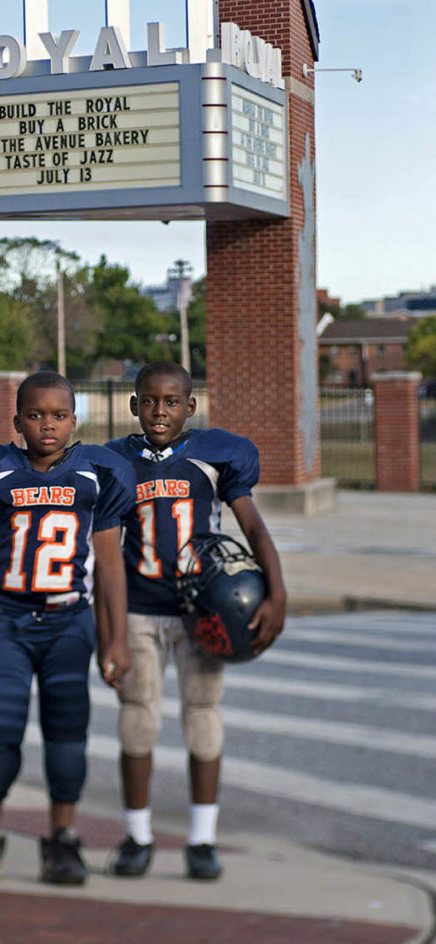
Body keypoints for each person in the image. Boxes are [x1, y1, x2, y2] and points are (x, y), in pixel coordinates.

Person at [104, 362, 286, 881]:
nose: (159, 411)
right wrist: (110, 630)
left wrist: (279, 591)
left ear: (190, 406)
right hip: (138, 607)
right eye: (149, 401)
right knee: (138, 718)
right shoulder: (116, 461)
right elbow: (107, 552)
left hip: (198, 609)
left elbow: (252, 524)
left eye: (170, 402)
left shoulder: (214, 455)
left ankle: (202, 838)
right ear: (134, 405)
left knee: (204, 717)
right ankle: (137, 835)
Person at [0, 371, 135, 886]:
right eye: (35, 415)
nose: (47, 425)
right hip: (5, 618)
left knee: (66, 738)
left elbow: (110, 566)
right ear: (16, 421)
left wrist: (115, 637)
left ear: (75, 420)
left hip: (68, 621)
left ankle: (62, 839)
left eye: (58, 415)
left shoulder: (96, 473)